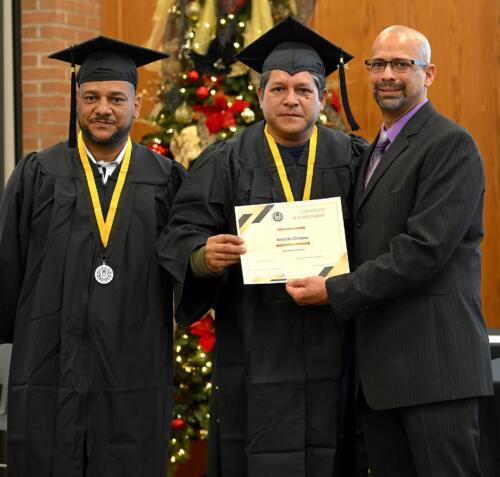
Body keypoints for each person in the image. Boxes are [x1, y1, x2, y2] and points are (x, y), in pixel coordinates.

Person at [158, 16, 365, 477]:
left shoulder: (354, 159)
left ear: (323, 98)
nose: (291, 99)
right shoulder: (225, 160)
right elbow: (182, 231)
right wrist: (203, 256)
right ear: (260, 95)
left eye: (303, 89)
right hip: (253, 340)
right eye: (278, 88)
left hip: (336, 342)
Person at [286, 25, 493, 477]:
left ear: (429, 73)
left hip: (433, 370)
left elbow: (423, 249)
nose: (387, 74)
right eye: (377, 64)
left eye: (402, 64)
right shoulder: (372, 153)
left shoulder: (449, 144)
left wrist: (335, 290)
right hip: (380, 376)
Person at [0, 37, 185, 476]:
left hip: (132, 364)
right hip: (48, 360)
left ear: (136, 105)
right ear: (77, 101)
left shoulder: (166, 180)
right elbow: (9, 264)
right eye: (92, 98)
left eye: (116, 98)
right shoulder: (38, 173)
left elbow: (187, 266)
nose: (103, 108)